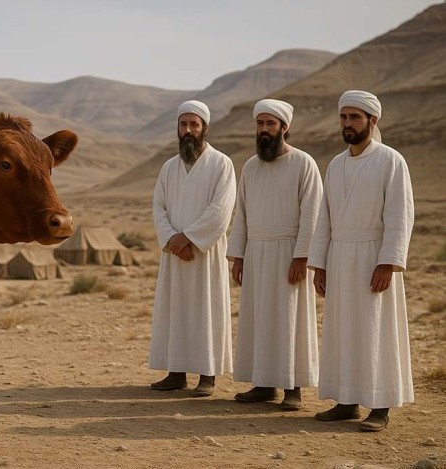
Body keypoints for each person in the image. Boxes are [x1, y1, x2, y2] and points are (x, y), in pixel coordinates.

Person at [308, 90, 414, 432]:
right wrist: (320, 264)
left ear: (373, 120)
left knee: (376, 329)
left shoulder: (391, 160)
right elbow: (324, 218)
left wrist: (388, 262)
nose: (348, 123)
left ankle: (380, 405)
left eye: (355, 117)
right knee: (343, 329)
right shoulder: (336, 164)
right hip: (339, 256)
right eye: (344, 117)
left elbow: (400, 216)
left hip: (373, 257)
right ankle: (347, 400)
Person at [227, 99, 322, 411]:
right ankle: (264, 384)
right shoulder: (250, 167)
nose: (264, 130)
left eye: (270, 124)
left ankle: (293, 388)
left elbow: (312, 215)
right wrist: (238, 256)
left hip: (288, 254)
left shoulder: (304, 164)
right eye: (260, 124)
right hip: (256, 252)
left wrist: (302, 257)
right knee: (258, 318)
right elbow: (240, 214)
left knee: (290, 319)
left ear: (285, 127)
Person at [149, 100, 236, 397]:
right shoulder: (168, 168)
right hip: (175, 254)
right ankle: (175, 372)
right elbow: (158, 208)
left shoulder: (221, 164)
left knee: (206, 310)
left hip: (205, 254)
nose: (187, 130)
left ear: (205, 129)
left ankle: (207, 375)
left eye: (193, 125)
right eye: (183, 124)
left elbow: (220, 211)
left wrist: (188, 238)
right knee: (175, 311)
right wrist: (172, 240)